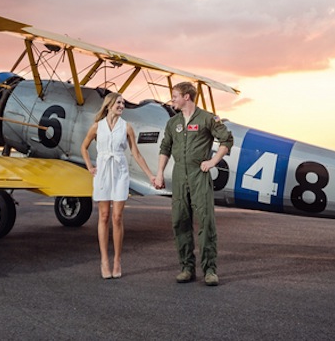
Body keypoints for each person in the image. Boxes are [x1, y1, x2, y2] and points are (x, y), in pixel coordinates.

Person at [153, 81, 234, 286]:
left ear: (186, 97)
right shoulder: (173, 123)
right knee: (180, 221)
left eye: (175, 96)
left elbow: (227, 139)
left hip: (199, 174)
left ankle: (210, 270)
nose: (172, 100)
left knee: (206, 222)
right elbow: (165, 148)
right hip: (179, 174)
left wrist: (213, 161)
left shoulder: (207, 119)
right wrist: (160, 173)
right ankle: (187, 268)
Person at [80, 91, 154, 280]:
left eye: (123, 103)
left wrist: (150, 176)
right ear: (109, 105)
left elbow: (136, 154)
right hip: (103, 172)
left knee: (117, 216)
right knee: (104, 216)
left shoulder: (126, 127)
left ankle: (117, 260)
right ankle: (104, 260)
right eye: (119, 103)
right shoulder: (97, 126)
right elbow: (84, 147)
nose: (122, 106)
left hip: (120, 172)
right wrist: (89, 166)